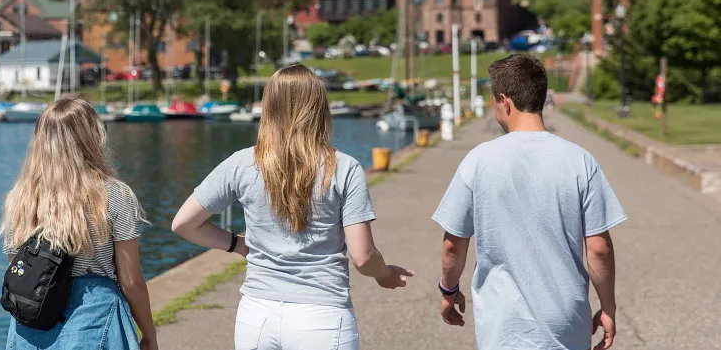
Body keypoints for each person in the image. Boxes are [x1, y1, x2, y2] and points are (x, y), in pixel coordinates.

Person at [172, 64, 413, 350]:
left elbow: (184, 224)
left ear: (269, 106)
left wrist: (237, 245)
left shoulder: (242, 163)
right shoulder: (344, 168)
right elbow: (363, 257)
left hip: (257, 315)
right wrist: (384, 273)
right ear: (319, 108)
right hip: (323, 317)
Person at [432, 54, 627, 350]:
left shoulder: (478, 160)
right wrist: (608, 307)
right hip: (566, 322)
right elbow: (599, 249)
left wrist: (449, 290)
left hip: (503, 325)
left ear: (504, 101)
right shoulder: (580, 160)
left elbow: (452, 245)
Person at [0, 98, 156, 350]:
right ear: (92, 137)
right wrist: (149, 333)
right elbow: (130, 280)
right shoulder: (112, 195)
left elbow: (18, 269)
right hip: (94, 315)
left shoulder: (21, 198)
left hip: (31, 325)